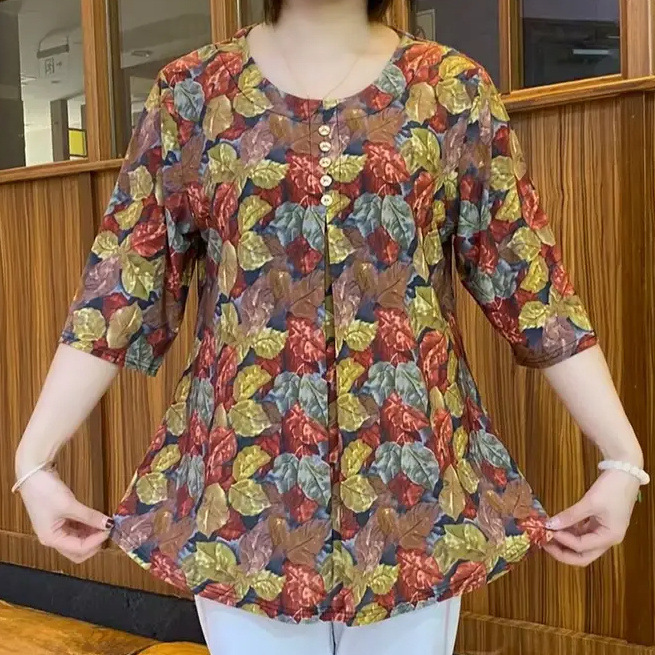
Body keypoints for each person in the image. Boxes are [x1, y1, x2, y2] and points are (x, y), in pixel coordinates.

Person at [12, 1, 648, 654]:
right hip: (245, 490)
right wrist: (34, 458)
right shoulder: (193, 94)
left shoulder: (452, 90)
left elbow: (528, 280)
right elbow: (122, 284)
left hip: (410, 485)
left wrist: (621, 457)